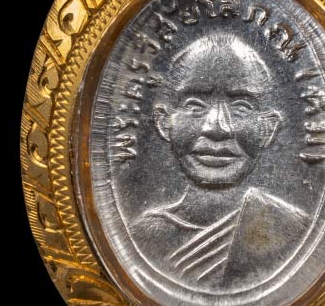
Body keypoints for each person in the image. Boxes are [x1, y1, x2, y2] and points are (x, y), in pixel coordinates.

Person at [129, 33, 309, 290]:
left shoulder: (293, 230)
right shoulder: (143, 235)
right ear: (163, 122)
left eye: (241, 107)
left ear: (268, 129)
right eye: (195, 105)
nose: (217, 127)